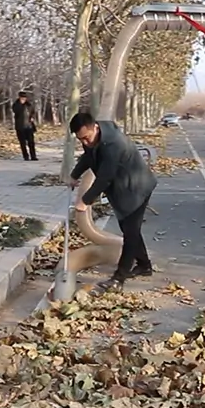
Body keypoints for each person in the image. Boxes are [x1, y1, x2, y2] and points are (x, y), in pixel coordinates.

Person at [68, 112, 158, 293]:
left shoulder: (113, 143)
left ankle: (119, 279)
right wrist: (74, 175)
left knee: (130, 233)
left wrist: (85, 201)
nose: (85, 143)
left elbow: (105, 177)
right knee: (129, 229)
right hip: (122, 188)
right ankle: (144, 266)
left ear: (95, 127)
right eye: (81, 140)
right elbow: (88, 157)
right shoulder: (94, 137)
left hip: (137, 188)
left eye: (86, 138)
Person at [11, 91, 38, 161]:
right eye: (22, 98)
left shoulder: (29, 105)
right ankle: (25, 156)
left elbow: (33, 112)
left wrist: (32, 117)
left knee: (31, 142)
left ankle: (33, 156)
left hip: (29, 126)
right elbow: (16, 111)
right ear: (19, 98)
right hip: (20, 127)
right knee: (22, 142)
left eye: (24, 98)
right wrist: (20, 104)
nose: (23, 99)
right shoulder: (16, 105)